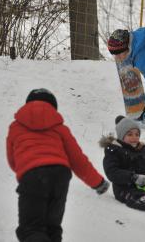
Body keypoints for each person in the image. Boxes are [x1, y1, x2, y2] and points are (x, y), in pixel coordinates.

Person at [6, 88, 110, 242]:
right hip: (60, 174)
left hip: (32, 175)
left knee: (31, 228)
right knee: (52, 228)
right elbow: (77, 159)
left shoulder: (16, 127)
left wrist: (26, 171)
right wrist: (97, 182)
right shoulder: (59, 128)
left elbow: (12, 159)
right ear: (53, 108)